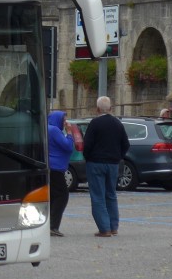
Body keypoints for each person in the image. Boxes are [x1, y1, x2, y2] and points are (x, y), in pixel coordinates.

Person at [81, 96, 130, 237]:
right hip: (113, 163)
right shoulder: (118, 124)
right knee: (111, 195)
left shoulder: (94, 124)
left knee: (98, 196)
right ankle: (114, 226)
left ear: (97, 109)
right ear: (110, 108)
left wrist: (88, 157)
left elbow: (87, 144)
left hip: (96, 163)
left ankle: (104, 228)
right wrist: (118, 156)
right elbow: (126, 144)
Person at [47, 110, 75, 237]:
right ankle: (53, 226)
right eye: (63, 120)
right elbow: (68, 146)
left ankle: (49, 225)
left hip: (52, 167)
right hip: (56, 167)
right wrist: (69, 133)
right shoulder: (54, 130)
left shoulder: (48, 128)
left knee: (53, 195)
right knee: (62, 196)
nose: (65, 123)